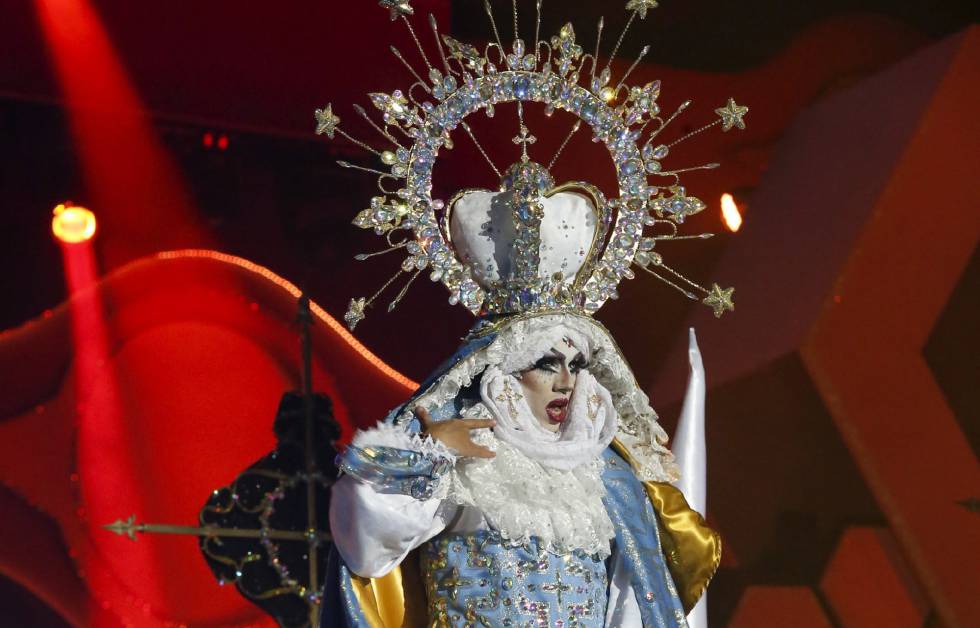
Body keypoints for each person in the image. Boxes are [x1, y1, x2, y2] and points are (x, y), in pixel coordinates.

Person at [324, 313, 719, 627]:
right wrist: (432, 454)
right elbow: (366, 549)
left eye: (577, 365)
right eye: (548, 364)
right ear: (508, 372)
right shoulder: (468, 456)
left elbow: (631, 602)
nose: (567, 383)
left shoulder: (607, 478)